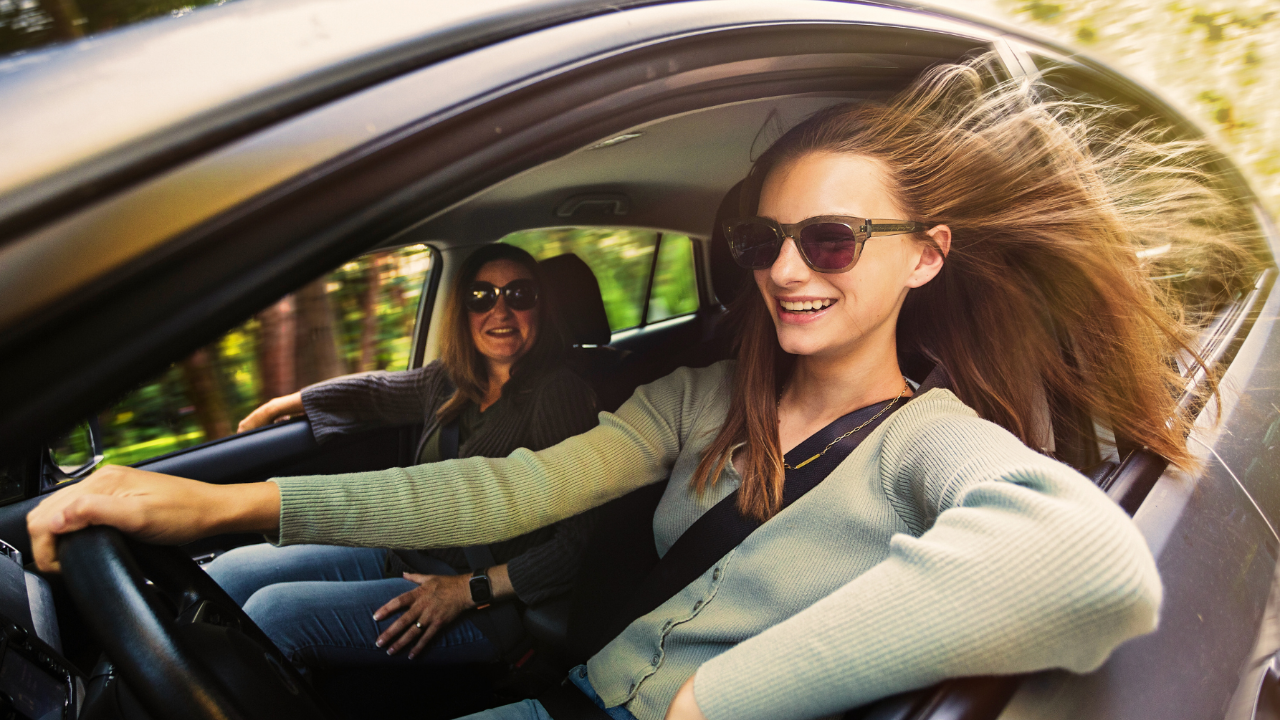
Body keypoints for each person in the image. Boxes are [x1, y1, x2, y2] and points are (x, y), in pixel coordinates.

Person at [29, 57, 1254, 720]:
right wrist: (218, 506)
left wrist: (716, 700)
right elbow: (506, 490)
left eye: (830, 239)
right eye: (761, 241)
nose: (786, 270)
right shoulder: (701, 397)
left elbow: (1088, 565)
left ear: (922, 257)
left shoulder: (929, 442)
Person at [202, 243, 599, 671]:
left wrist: (467, 589)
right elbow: (374, 394)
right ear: (463, 311)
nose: (500, 311)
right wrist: (278, 406)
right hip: (403, 554)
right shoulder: (449, 379)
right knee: (229, 574)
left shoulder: (560, 396)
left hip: (484, 602)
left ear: (541, 307)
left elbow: (578, 544)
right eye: (481, 296)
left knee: (274, 615)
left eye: (520, 294)